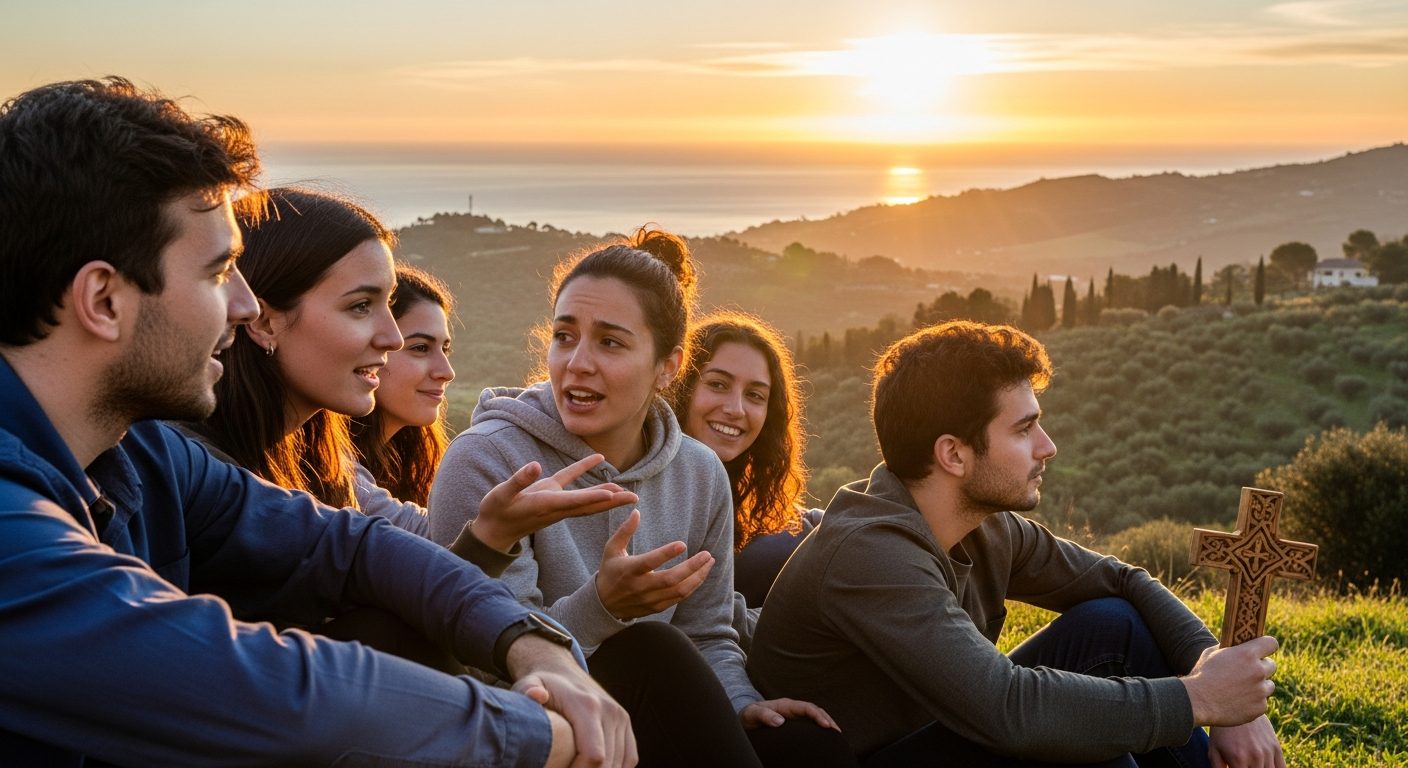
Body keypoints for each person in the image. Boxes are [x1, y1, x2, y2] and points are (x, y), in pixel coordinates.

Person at [0, 77, 632, 767]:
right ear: (103, 300)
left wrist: (532, 644)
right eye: (217, 273)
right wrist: (541, 737)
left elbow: (351, 547)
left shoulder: (144, 452)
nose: (245, 306)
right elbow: (263, 690)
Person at [748, 320, 1285, 768]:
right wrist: (1201, 698)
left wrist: (1227, 688)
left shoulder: (985, 526)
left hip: (940, 735)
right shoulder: (870, 553)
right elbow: (1006, 708)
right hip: (863, 758)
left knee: (1113, 622)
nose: (1047, 447)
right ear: (954, 455)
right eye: (1024, 429)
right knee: (1071, 741)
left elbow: (1123, 580)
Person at [428, 228, 846, 767]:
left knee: (807, 743)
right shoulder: (489, 458)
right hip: (526, 719)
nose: (577, 362)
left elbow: (707, 633)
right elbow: (486, 658)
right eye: (564, 336)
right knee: (651, 649)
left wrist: (742, 703)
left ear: (668, 366)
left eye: (610, 342)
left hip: (647, 713)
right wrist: (602, 606)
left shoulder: (699, 472)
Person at [668, 311, 817, 608]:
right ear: (682, 386)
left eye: (755, 395)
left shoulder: (746, 496)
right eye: (718, 385)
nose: (736, 409)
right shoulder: (652, 492)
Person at [352, 263, 458, 509]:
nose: (447, 372)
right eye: (420, 348)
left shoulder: (409, 469)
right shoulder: (326, 472)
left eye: (445, 349)